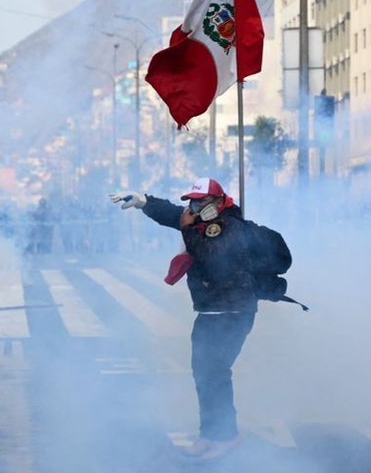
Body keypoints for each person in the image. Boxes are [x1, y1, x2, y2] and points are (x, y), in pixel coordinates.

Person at [110, 178, 294, 462]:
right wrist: (144, 201)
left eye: (201, 202)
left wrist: (186, 228)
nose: (194, 208)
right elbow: (175, 215)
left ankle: (224, 436)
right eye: (192, 202)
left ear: (219, 203)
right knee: (207, 373)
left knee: (213, 373)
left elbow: (212, 258)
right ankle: (213, 435)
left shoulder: (228, 227)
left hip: (231, 311)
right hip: (214, 310)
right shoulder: (202, 224)